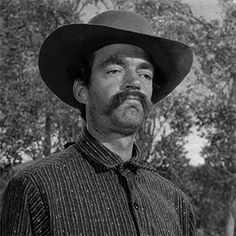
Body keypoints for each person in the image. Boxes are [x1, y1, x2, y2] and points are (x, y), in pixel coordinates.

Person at [0, 10, 196, 236]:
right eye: (115, 70)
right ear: (82, 90)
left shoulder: (176, 203)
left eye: (145, 75)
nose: (134, 82)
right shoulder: (35, 188)